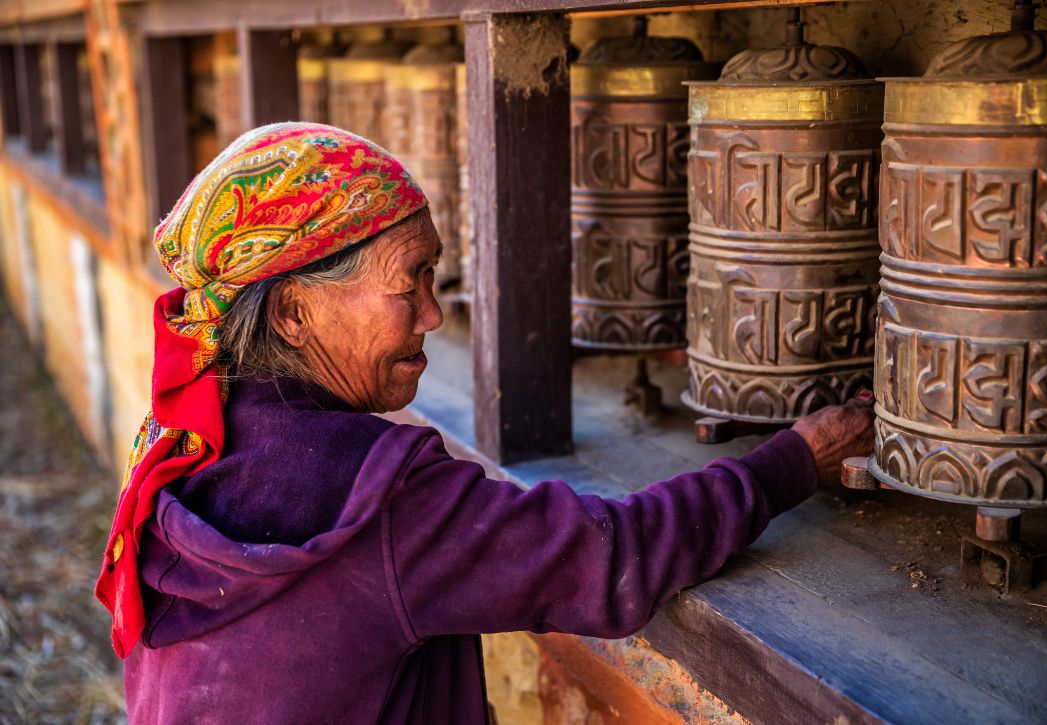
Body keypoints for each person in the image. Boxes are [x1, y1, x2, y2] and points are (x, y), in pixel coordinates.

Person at [96, 122, 874, 724]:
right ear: (296, 311)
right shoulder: (378, 498)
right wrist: (795, 459)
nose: (434, 313)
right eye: (413, 280)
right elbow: (615, 557)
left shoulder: (192, 437)